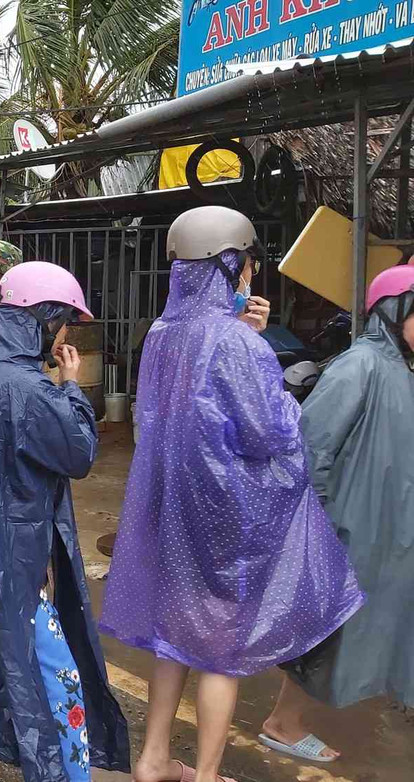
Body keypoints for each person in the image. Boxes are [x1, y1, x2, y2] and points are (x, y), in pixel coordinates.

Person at [99, 206, 363, 782]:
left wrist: (248, 335)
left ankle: (154, 758)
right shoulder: (238, 345)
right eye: (245, 266)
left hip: (171, 512)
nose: (250, 276)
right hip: (226, 518)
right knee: (222, 652)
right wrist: (265, 361)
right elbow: (269, 431)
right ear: (230, 265)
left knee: (173, 636)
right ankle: (209, 773)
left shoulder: (163, 334)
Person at [0, 261, 130, 782]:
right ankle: (66, 774)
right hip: (15, 558)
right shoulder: (29, 388)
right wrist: (70, 386)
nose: (64, 335)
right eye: (62, 322)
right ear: (45, 318)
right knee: (53, 674)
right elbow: (78, 453)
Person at [258, 263, 414, 763]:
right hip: (351, 529)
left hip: (387, 529)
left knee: (369, 627)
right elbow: (312, 449)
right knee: (334, 633)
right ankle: (283, 722)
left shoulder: (400, 368)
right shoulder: (360, 365)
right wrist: (317, 531)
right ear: (395, 310)